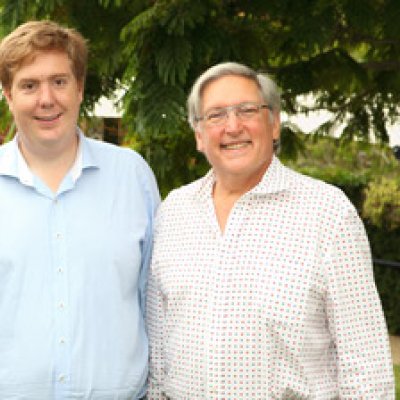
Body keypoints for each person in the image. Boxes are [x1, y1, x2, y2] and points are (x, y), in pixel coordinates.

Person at [146, 62, 394, 399]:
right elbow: (160, 352)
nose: (233, 126)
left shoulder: (328, 214)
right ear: (199, 136)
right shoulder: (173, 212)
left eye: (247, 110)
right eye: (216, 115)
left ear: (274, 123)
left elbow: (366, 364)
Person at [0, 20, 160, 399]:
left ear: (80, 87)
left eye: (59, 81)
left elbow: (154, 298)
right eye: (29, 85)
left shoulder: (132, 176)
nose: (46, 99)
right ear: (7, 95)